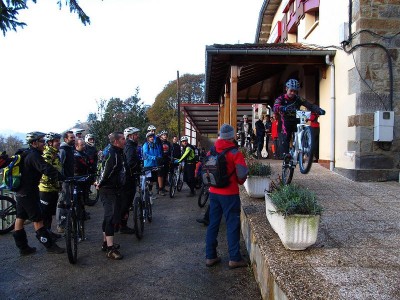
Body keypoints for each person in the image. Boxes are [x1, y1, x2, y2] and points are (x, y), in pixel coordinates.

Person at [13, 132, 65, 256]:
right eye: (41, 141)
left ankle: (23, 248)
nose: (44, 143)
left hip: (20, 191)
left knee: (20, 218)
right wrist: (61, 177)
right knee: (38, 220)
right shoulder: (33, 155)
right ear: (34, 143)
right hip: (29, 193)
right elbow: (45, 168)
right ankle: (50, 246)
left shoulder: (25, 153)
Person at [205, 124, 248, 269]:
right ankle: (234, 258)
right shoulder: (235, 152)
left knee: (213, 224)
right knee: (232, 225)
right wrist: (239, 181)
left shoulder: (212, 150)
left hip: (214, 192)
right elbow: (242, 175)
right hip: (230, 194)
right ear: (232, 136)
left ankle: (210, 256)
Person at [273, 79, 325, 158]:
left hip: (297, 118)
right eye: (291, 91)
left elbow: (309, 105)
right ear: (286, 89)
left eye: (295, 91)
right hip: (286, 120)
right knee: (286, 135)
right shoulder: (281, 98)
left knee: (303, 127)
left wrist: (319, 110)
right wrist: (283, 108)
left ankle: (303, 145)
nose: (293, 93)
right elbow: (275, 107)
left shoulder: (298, 98)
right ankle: (286, 155)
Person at [96, 132, 126, 260]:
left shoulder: (113, 150)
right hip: (108, 189)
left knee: (108, 215)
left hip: (112, 188)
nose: (125, 141)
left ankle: (105, 243)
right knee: (111, 217)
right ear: (116, 141)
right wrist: (99, 183)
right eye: (123, 139)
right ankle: (110, 249)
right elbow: (106, 171)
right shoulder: (113, 153)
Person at [39, 132, 63, 241]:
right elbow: (44, 172)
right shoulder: (47, 154)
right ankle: (45, 236)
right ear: (50, 143)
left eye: (59, 140)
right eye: (56, 141)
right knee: (45, 214)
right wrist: (55, 181)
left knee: (49, 214)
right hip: (45, 189)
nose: (59, 143)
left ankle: (48, 232)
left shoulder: (55, 153)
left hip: (53, 188)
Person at [120, 126, 141, 234]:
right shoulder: (129, 147)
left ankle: (121, 224)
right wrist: (138, 167)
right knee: (125, 203)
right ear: (130, 136)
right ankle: (122, 225)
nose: (138, 136)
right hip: (128, 179)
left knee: (126, 203)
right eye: (136, 134)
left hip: (129, 178)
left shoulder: (131, 145)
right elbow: (130, 163)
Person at [56, 130, 75, 233]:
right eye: (71, 137)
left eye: (74, 137)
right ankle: (60, 225)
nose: (74, 139)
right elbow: (60, 165)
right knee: (62, 202)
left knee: (68, 201)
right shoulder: (63, 150)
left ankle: (67, 222)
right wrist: (62, 179)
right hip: (65, 181)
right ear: (66, 139)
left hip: (70, 179)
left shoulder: (70, 149)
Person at [142, 132, 163, 202]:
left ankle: (150, 193)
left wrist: (160, 157)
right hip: (148, 166)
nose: (152, 138)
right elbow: (145, 154)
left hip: (154, 165)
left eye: (153, 137)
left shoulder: (155, 145)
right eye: (150, 137)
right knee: (148, 180)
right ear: (148, 138)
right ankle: (147, 195)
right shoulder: (145, 145)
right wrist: (154, 157)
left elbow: (158, 153)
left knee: (152, 180)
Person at [74, 138, 91, 223]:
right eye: (82, 145)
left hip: (85, 178)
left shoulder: (84, 153)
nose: (84, 146)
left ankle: (83, 213)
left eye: (84, 144)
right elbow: (81, 166)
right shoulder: (75, 155)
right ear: (76, 146)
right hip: (78, 179)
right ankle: (79, 214)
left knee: (84, 197)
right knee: (78, 198)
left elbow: (89, 163)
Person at [159, 130, 172, 195]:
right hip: (161, 160)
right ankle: (160, 189)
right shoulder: (159, 142)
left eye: (166, 135)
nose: (165, 136)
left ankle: (163, 187)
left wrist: (170, 157)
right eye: (164, 135)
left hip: (167, 160)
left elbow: (170, 151)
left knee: (165, 174)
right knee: (160, 175)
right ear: (161, 136)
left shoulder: (168, 143)